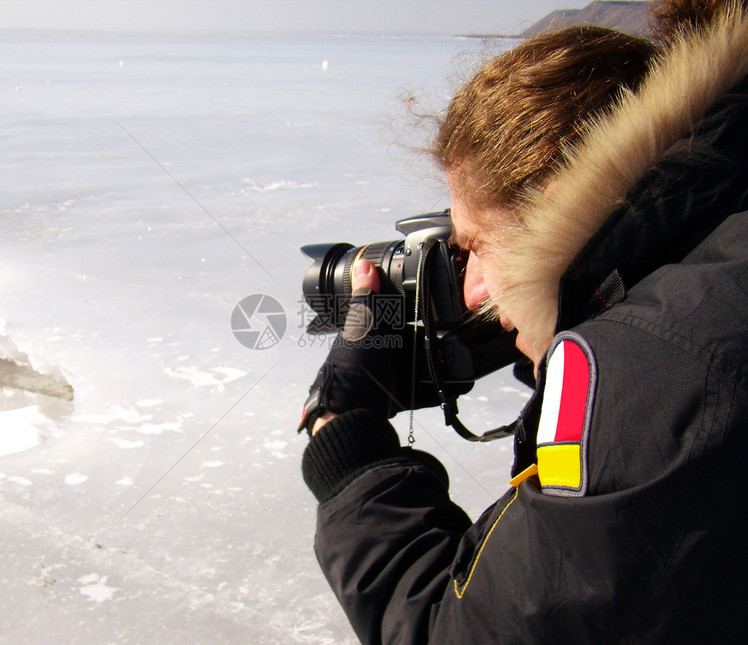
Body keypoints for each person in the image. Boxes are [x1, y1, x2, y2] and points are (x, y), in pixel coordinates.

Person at [298, 1, 748, 642]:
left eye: (476, 245)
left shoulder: (653, 372)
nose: (473, 290)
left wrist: (344, 437)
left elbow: (457, 632)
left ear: (560, 208)